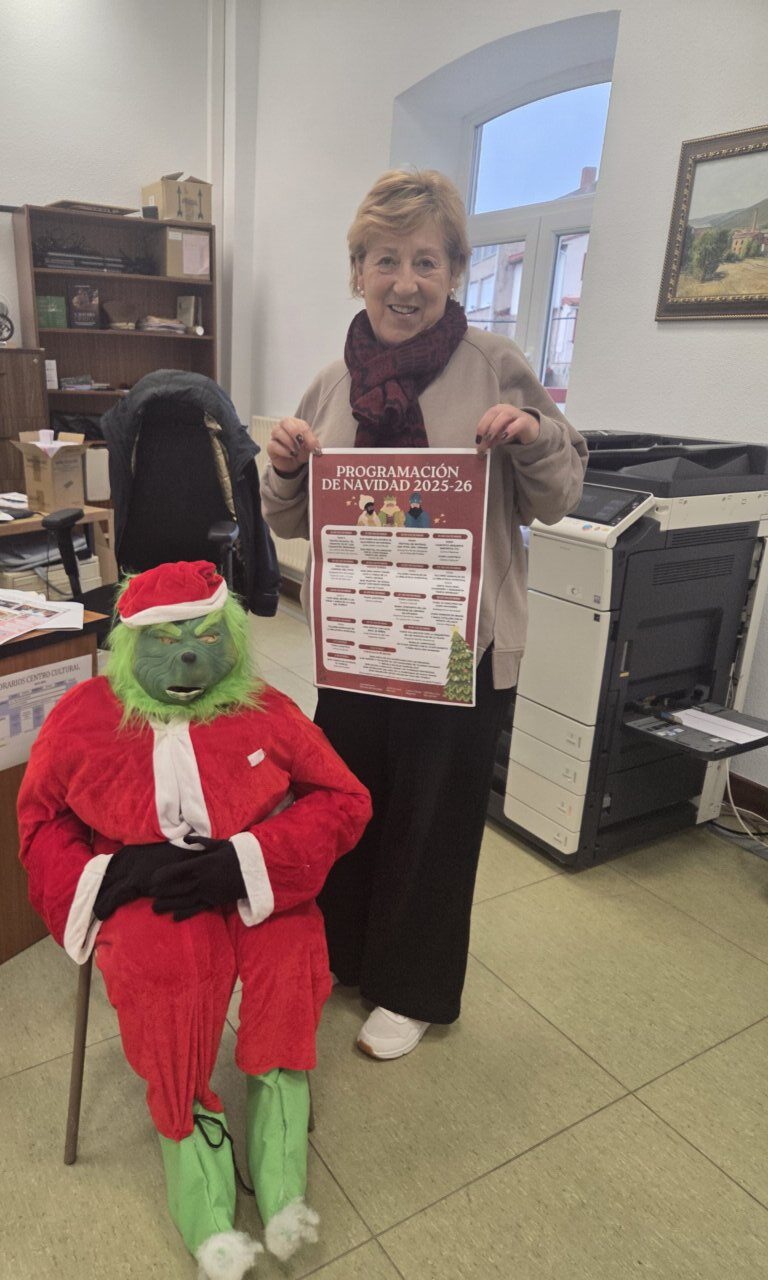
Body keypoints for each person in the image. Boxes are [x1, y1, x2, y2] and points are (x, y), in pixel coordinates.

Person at [260, 169, 587, 1060]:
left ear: (456, 272)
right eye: (387, 260)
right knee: (350, 803)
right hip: (360, 642)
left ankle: (411, 989)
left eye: (428, 262)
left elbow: (559, 494)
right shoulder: (332, 381)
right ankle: (345, 954)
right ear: (358, 269)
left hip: (456, 644)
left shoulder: (496, 364)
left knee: (434, 820)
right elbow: (287, 518)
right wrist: (288, 463)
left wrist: (531, 436)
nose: (406, 281)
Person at [17, 560, 371, 1278]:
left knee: (289, 956)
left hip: (253, 871)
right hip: (143, 884)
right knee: (168, 974)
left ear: (231, 637)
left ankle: (280, 1167)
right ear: (127, 646)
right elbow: (38, 821)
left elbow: (343, 799)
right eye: (166, 640)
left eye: (206, 638)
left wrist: (250, 858)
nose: (187, 658)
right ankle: (194, 1157)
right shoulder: (83, 715)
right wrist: (110, 874)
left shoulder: (266, 709)